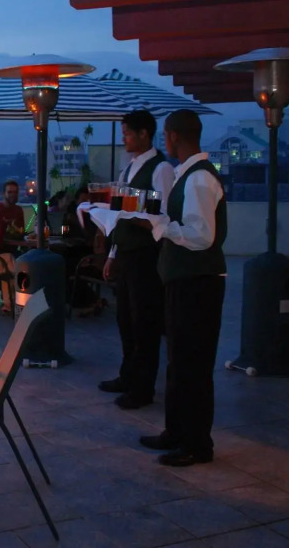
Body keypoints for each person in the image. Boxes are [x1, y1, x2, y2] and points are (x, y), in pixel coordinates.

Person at [133, 109, 227, 467]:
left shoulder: (199, 178)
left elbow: (202, 236)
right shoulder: (188, 174)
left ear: (172, 136)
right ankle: (176, 432)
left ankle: (197, 444)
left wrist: (160, 226)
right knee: (179, 361)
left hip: (198, 284)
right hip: (183, 282)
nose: (165, 141)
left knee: (193, 365)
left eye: (165, 136)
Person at [98, 110, 176, 410]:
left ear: (145, 134)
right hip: (127, 253)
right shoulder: (128, 169)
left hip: (147, 254)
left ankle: (143, 387)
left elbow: (164, 216)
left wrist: (134, 216)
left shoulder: (161, 169)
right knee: (125, 319)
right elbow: (119, 214)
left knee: (144, 321)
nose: (125, 139)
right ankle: (128, 375)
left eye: (128, 133)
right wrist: (113, 254)